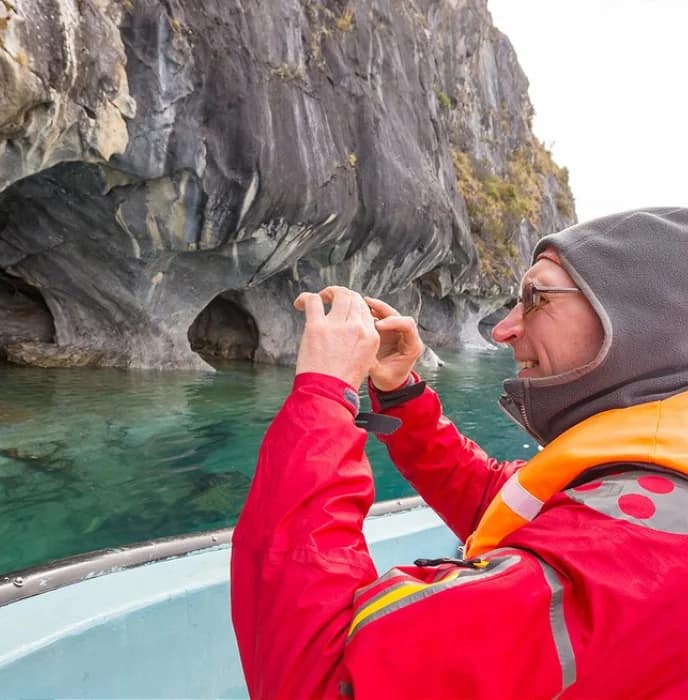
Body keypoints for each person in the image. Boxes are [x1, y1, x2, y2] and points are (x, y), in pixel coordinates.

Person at [230, 207, 688, 699]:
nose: (503, 329)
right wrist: (403, 395)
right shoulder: (649, 493)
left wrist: (324, 394)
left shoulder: (633, 553)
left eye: (536, 297)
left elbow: (321, 680)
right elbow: (505, 499)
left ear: (638, 320)